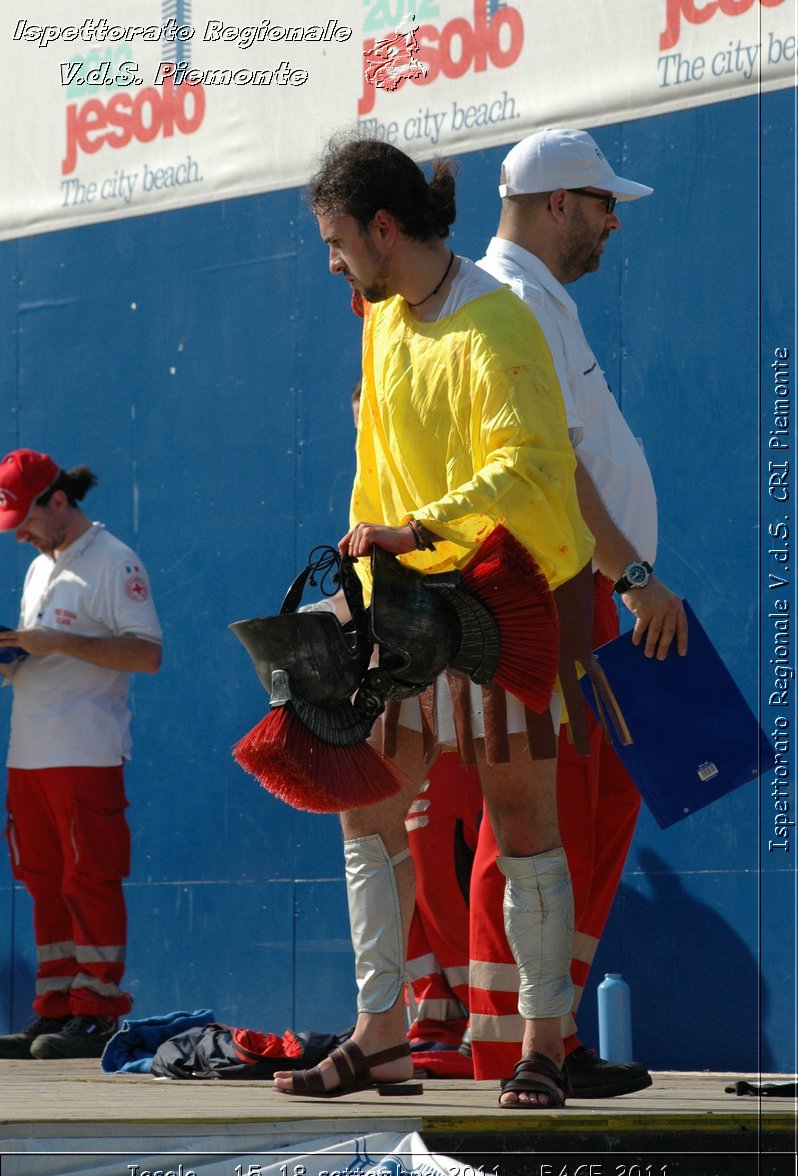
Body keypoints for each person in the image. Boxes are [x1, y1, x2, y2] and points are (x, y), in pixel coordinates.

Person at [272, 132, 596, 1108]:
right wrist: (363, 580)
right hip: (406, 603)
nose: (331, 262)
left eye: (336, 240)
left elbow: (533, 472)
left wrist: (413, 528)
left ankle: (545, 1047)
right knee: (365, 808)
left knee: (524, 823)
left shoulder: (496, 324)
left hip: (499, 598)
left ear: (382, 228)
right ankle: (381, 1040)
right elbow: (375, 466)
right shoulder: (382, 318)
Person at [458, 127, 688, 1093]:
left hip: (587, 591)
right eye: (603, 208)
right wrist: (633, 578)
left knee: (593, 809)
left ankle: (550, 1034)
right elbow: (553, 471)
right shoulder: (514, 301)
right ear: (559, 204)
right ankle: (514, 1048)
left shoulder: (537, 300)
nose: (611, 227)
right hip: (562, 587)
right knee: (532, 812)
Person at [0, 450, 162, 1059]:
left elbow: (147, 654)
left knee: (87, 877)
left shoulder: (113, 560)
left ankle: (95, 1009)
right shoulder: (44, 567)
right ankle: (56, 1006)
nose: (20, 535)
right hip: (30, 752)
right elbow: (42, 654)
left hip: (85, 751)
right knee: (42, 881)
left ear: (59, 501)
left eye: (27, 519)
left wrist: (56, 642)